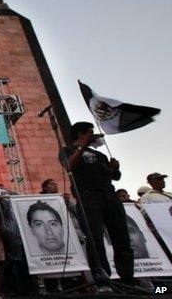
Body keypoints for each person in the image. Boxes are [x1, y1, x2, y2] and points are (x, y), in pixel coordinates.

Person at [61, 121, 135, 283]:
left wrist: (115, 168)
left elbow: (113, 176)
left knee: (121, 236)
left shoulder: (99, 154)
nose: (92, 135)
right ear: (80, 134)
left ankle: (127, 277)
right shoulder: (68, 151)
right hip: (88, 197)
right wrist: (82, 147)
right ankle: (102, 277)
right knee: (95, 238)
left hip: (110, 195)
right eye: (89, 132)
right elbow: (68, 166)